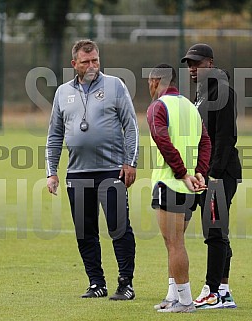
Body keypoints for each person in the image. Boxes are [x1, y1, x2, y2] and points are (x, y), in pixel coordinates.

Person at [46, 39, 139, 300]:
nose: (92, 65)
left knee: (119, 227)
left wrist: (131, 162)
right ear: (74, 63)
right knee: (85, 231)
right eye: (86, 61)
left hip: (112, 171)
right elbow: (54, 134)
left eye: (95, 59)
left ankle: (125, 283)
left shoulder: (115, 86)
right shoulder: (63, 92)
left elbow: (131, 126)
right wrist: (51, 171)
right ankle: (96, 283)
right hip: (77, 174)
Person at [179, 43, 242, 309]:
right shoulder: (202, 94)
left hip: (219, 175)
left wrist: (213, 175)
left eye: (197, 63)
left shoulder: (223, 91)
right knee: (217, 232)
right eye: (189, 64)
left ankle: (212, 291)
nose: (192, 68)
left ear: (210, 64)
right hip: (205, 174)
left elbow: (226, 139)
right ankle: (224, 291)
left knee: (215, 233)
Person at [147, 63, 211, 313]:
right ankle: (173, 296)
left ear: (154, 82)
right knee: (173, 242)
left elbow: (161, 140)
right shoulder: (189, 106)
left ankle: (185, 301)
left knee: (174, 243)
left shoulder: (158, 107)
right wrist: (199, 172)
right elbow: (205, 141)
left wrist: (183, 173)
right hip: (187, 188)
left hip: (170, 183)